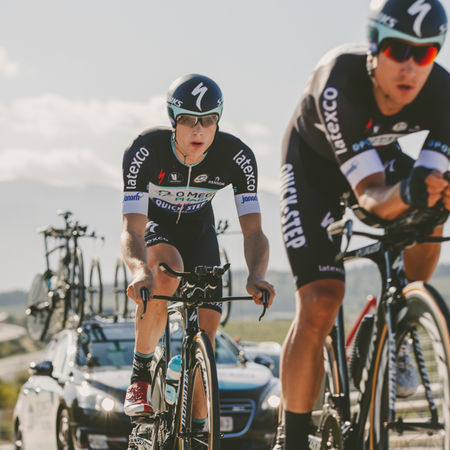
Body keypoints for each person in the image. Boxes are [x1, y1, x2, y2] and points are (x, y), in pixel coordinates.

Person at [279, 0, 450, 448]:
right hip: (314, 169)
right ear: (374, 46)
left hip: (377, 156)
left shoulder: (443, 92)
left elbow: (429, 180)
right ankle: (292, 437)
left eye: (425, 53)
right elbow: (372, 195)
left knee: (433, 207)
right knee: (320, 301)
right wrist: (410, 192)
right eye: (397, 49)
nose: (410, 67)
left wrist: (433, 193)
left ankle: (397, 322)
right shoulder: (338, 80)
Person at [120, 73, 275, 418]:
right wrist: (139, 270)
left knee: (206, 336)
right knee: (166, 272)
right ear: (173, 119)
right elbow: (132, 228)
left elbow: (253, 231)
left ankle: (199, 429)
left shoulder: (236, 156)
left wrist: (257, 275)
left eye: (208, 120)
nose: (199, 129)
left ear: (218, 120)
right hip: (157, 227)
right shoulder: (146, 150)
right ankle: (140, 377)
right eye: (189, 119)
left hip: (200, 232)